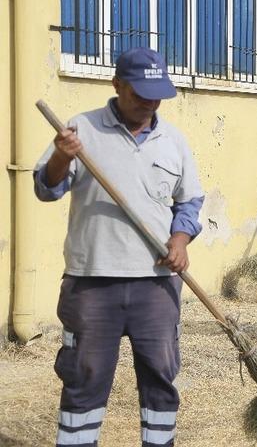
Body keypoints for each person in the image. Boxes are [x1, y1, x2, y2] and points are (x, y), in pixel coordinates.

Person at [33, 48, 204, 447]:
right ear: (117, 85)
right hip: (92, 283)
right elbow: (46, 188)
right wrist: (62, 156)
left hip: (157, 285)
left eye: (156, 94)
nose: (148, 102)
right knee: (84, 377)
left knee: (161, 378)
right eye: (139, 93)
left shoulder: (173, 141)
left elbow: (190, 203)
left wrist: (180, 241)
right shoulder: (81, 130)